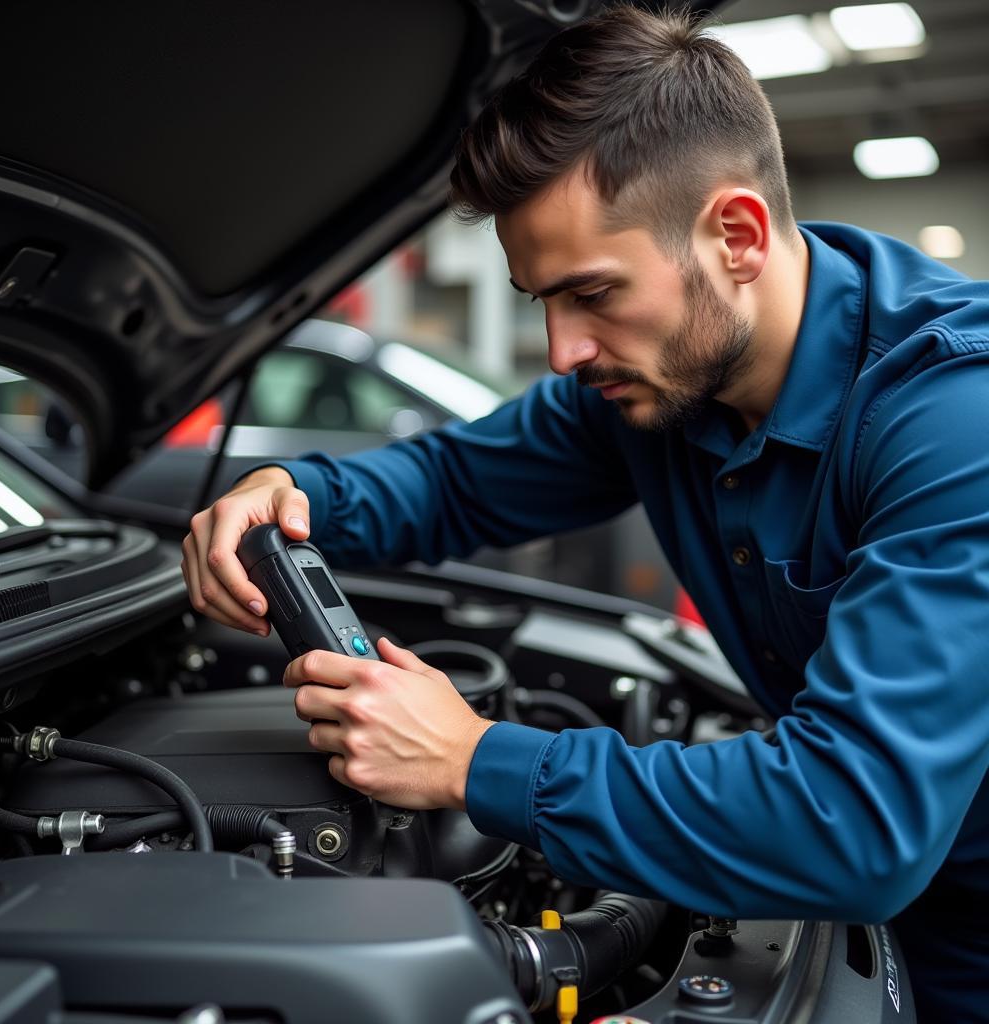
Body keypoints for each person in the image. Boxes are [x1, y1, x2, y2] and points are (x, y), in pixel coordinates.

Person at [182, 7, 989, 1020]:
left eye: (593, 294)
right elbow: (451, 482)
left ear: (734, 235)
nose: (564, 351)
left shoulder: (954, 418)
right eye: (541, 303)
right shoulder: (661, 382)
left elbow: (852, 823)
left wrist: (476, 759)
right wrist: (292, 496)